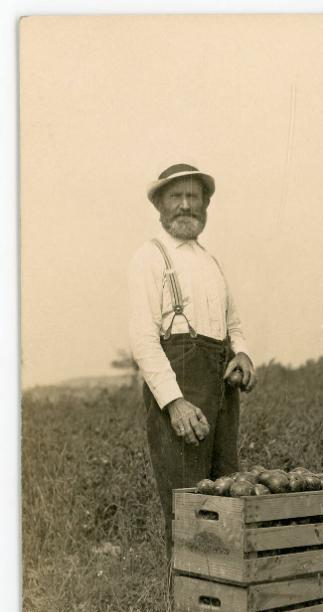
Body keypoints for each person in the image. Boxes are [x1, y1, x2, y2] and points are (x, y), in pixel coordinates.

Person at [127, 163, 256, 564]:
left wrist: (243, 355)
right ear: (159, 205)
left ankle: (225, 609)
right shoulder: (149, 258)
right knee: (187, 506)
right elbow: (144, 342)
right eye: (175, 197)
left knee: (226, 498)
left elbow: (234, 324)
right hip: (180, 394)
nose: (185, 206)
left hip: (221, 395)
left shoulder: (212, 263)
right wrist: (174, 403)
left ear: (205, 205)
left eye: (193, 197)